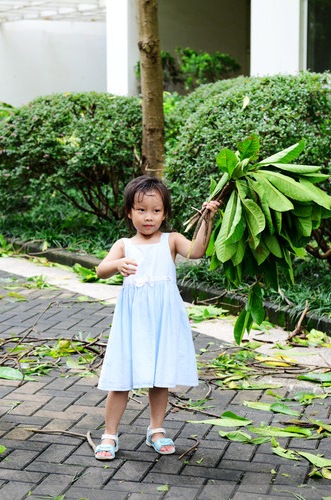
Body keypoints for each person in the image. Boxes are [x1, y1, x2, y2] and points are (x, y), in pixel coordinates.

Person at [93, 175, 221, 460]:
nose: (148, 217)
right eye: (141, 210)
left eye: (156, 211)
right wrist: (117, 264)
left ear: (164, 213)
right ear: (129, 212)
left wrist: (206, 219)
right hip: (133, 322)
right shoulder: (124, 244)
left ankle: (156, 429)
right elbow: (101, 270)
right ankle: (109, 434)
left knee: (159, 378)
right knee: (121, 378)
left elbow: (197, 251)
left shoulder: (171, 240)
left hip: (163, 320)